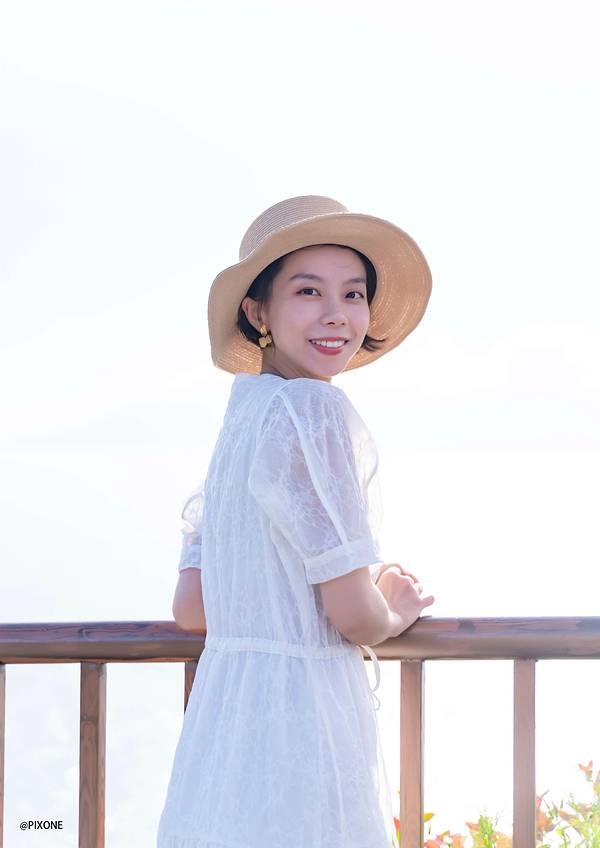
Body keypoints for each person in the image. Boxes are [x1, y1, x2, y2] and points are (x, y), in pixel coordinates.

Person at [157, 195, 435, 848]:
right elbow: (355, 616)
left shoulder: (242, 419)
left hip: (226, 727)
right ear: (258, 311)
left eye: (353, 294)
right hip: (303, 728)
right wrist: (393, 608)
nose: (337, 314)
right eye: (309, 291)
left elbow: (192, 608)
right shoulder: (312, 412)